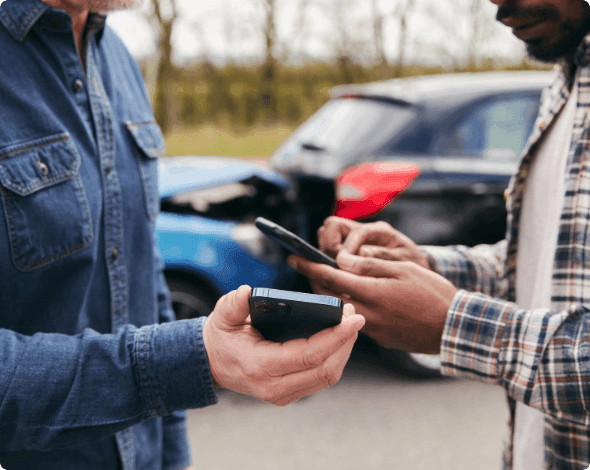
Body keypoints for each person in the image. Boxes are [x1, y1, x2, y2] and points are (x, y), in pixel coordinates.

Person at [0, 1, 365, 469]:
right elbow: (162, 353)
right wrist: (188, 360)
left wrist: (173, 456)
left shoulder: (116, 57)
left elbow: (139, 275)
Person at [287, 0, 590, 469]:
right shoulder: (566, 75)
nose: (499, 8)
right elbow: (547, 269)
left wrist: (457, 325)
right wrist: (425, 266)